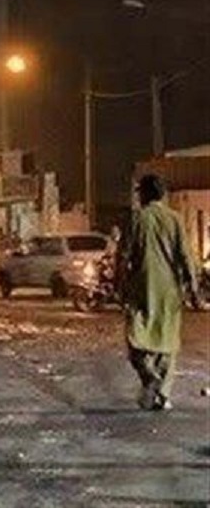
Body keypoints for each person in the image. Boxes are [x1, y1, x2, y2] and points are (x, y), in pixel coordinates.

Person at [119, 174, 202, 411]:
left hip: (142, 288)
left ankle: (149, 376)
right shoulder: (174, 219)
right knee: (168, 343)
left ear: (144, 194)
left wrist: (119, 285)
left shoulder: (137, 219)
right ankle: (162, 393)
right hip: (170, 290)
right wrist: (193, 288)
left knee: (135, 340)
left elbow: (123, 256)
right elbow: (185, 255)